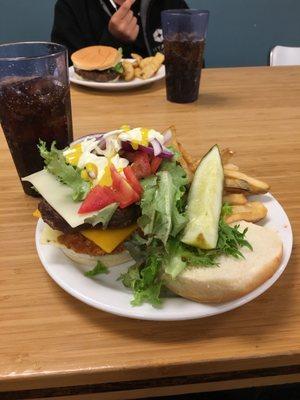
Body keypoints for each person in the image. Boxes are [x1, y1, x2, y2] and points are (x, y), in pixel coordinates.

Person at [51, 0, 188, 60]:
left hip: (163, 107)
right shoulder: (70, 7)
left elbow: (193, 65)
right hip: (98, 111)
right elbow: (67, 78)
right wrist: (113, 40)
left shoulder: (171, 3)